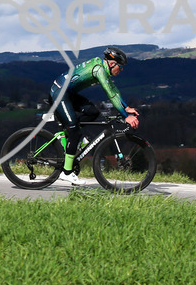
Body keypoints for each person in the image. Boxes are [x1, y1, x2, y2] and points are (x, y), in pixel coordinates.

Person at [50, 46, 140, 185]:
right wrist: (125, 116)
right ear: (112, 63)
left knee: (93, 113)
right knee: (74, 130)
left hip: (68, 93)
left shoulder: (102, 67)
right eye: (120, 67)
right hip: (60, 93)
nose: (121, 70)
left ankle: (70, 135)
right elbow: (110, 93)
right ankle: (67, 172)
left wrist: (126, 108)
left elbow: (114, 90)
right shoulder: (99, 70)